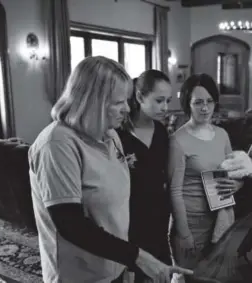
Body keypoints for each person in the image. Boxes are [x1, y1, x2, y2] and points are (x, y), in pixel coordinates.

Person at [28, 56, 192, 283]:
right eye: (118, 102)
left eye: (126, 100)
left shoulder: (110, 135)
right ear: (93, 100)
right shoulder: (57, 144)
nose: (127, 108)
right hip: (79, 276)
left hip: (115, 267)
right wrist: (138, 256)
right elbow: (70, 224)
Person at [168, 73, 247, 282]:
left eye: (210, 101)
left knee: (216, 277)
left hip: (220, 218)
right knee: (191, 278)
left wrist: (236, 185)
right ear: (188, 104)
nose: (205, 108)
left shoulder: (222, 134)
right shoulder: (178, 140)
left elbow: (235, 171)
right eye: (198, 102)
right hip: (191, 222)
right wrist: (183, 234)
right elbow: (174, 191)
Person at [116, 70, 173, 283]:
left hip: (159, 217)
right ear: (140, 97)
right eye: (159, 101)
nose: (165, 108)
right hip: (130, 218)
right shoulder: (118, 134)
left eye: (168, 101)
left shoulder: (161, 131)